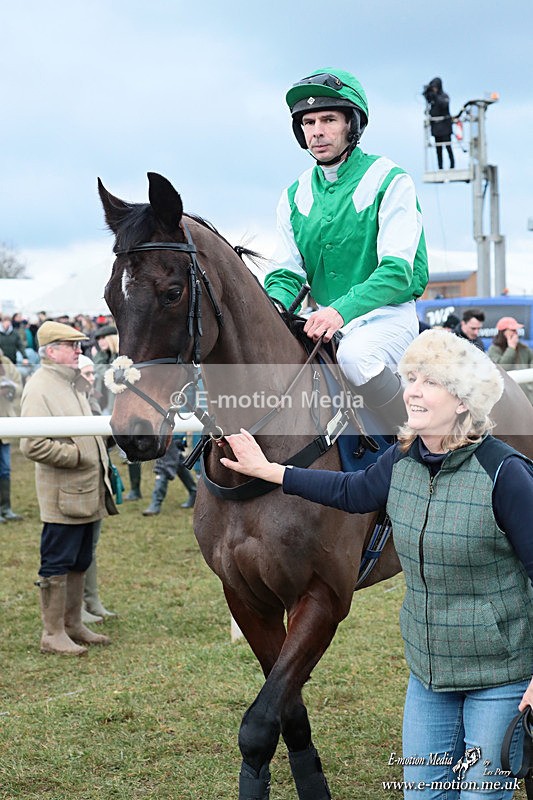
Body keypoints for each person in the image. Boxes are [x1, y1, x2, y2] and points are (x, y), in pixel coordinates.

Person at [220, 329, 533, 799]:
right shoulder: (403, 457)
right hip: (429, 677)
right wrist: (268, 471)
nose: (412, 391)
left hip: (501, 677)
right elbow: (351, 490)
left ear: (465, 401)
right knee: (423, 795)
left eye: (432, 382)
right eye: (411, 379)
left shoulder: (506, 474)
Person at [264, 68, 429, 434]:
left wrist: (341, 311)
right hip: (324, 321)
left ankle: (421, 442)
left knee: (356, 359)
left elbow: (397, 271)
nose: (317, 131)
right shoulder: (294, 194)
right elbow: (287, 273)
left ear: (352, 125)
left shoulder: (390, 179)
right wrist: (273, 308)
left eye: (328, 119)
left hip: (386, 317)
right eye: (308, 122)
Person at [20, 321, 118, 656]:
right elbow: (32, 444)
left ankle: (73, 624)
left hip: (85, 491)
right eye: (71, 345)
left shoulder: (71, 384)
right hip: (63, 495)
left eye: (79, 345)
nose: (80, 350)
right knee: (57, 561)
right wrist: (78, 456)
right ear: (51, 351)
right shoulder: (40, 387)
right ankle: (52, 633)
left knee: (79, 559)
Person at [78, 354, 117, 622]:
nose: (93, 380)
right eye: (88, 375)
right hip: (76, 483)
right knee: (74, 549)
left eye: (93, 374)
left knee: (90, 546)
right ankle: (76, 606)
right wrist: (83, 455)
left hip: (95, 482)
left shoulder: (89, 401)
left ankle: (91, 601)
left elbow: (100, 441)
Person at [142, 435, 197, 515]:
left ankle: (156, 503)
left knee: (163, 467)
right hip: (167, 435)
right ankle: (194, 492)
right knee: (178, 462)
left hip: (169, 435)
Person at [0, 347, 23, 522]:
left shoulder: (7, 363)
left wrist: (10, 390)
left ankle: (6, 508)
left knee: (6, 469)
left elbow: (19, 386)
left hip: (5, 423)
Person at [488, 316, 533, 404]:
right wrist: (511, 348)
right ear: (503, 332)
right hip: (508, 398)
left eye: (516, 330)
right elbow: (502, 367)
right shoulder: (494, 349)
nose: (516, 333)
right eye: (512, 330)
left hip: (526, 396)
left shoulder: (524, 349)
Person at [423, 77, 455, 170]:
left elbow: (444, 104)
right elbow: (427, 98)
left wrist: (435, 96)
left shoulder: (444, 96)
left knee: (448, 146)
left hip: (445, 126)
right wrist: (428, 92)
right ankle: (440, 167)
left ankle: (452, 165)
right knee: (438, 149)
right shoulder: (432, 97)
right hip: (436, 128)